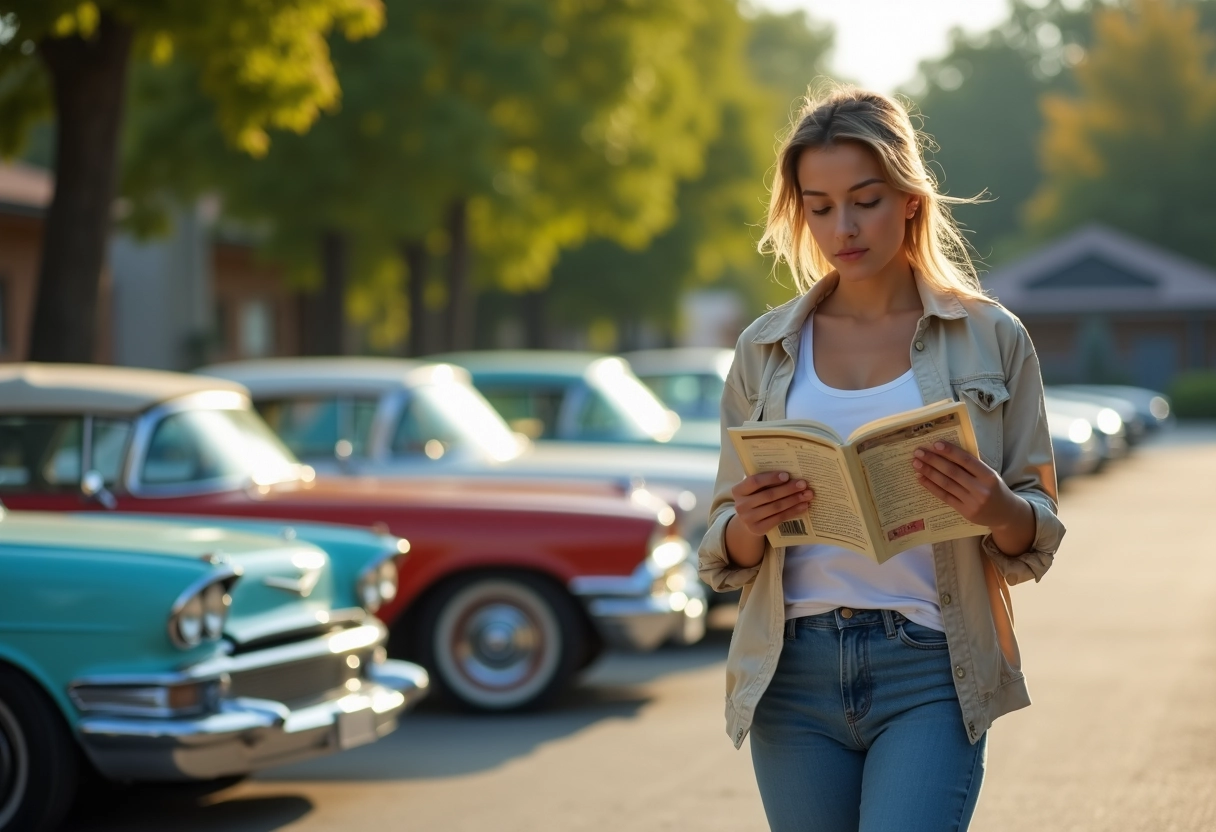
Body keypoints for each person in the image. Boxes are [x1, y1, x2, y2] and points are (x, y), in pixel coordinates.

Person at [697, 86, 1066, 832]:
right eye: (820, 205)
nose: (843, 226)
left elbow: (1039, 532)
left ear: (907, 197)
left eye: (864, 199)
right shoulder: (764, 350)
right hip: (791, 674)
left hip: (930, 666)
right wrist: (750, 524)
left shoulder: (992, 338)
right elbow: (721, 546)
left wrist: (996, 509)